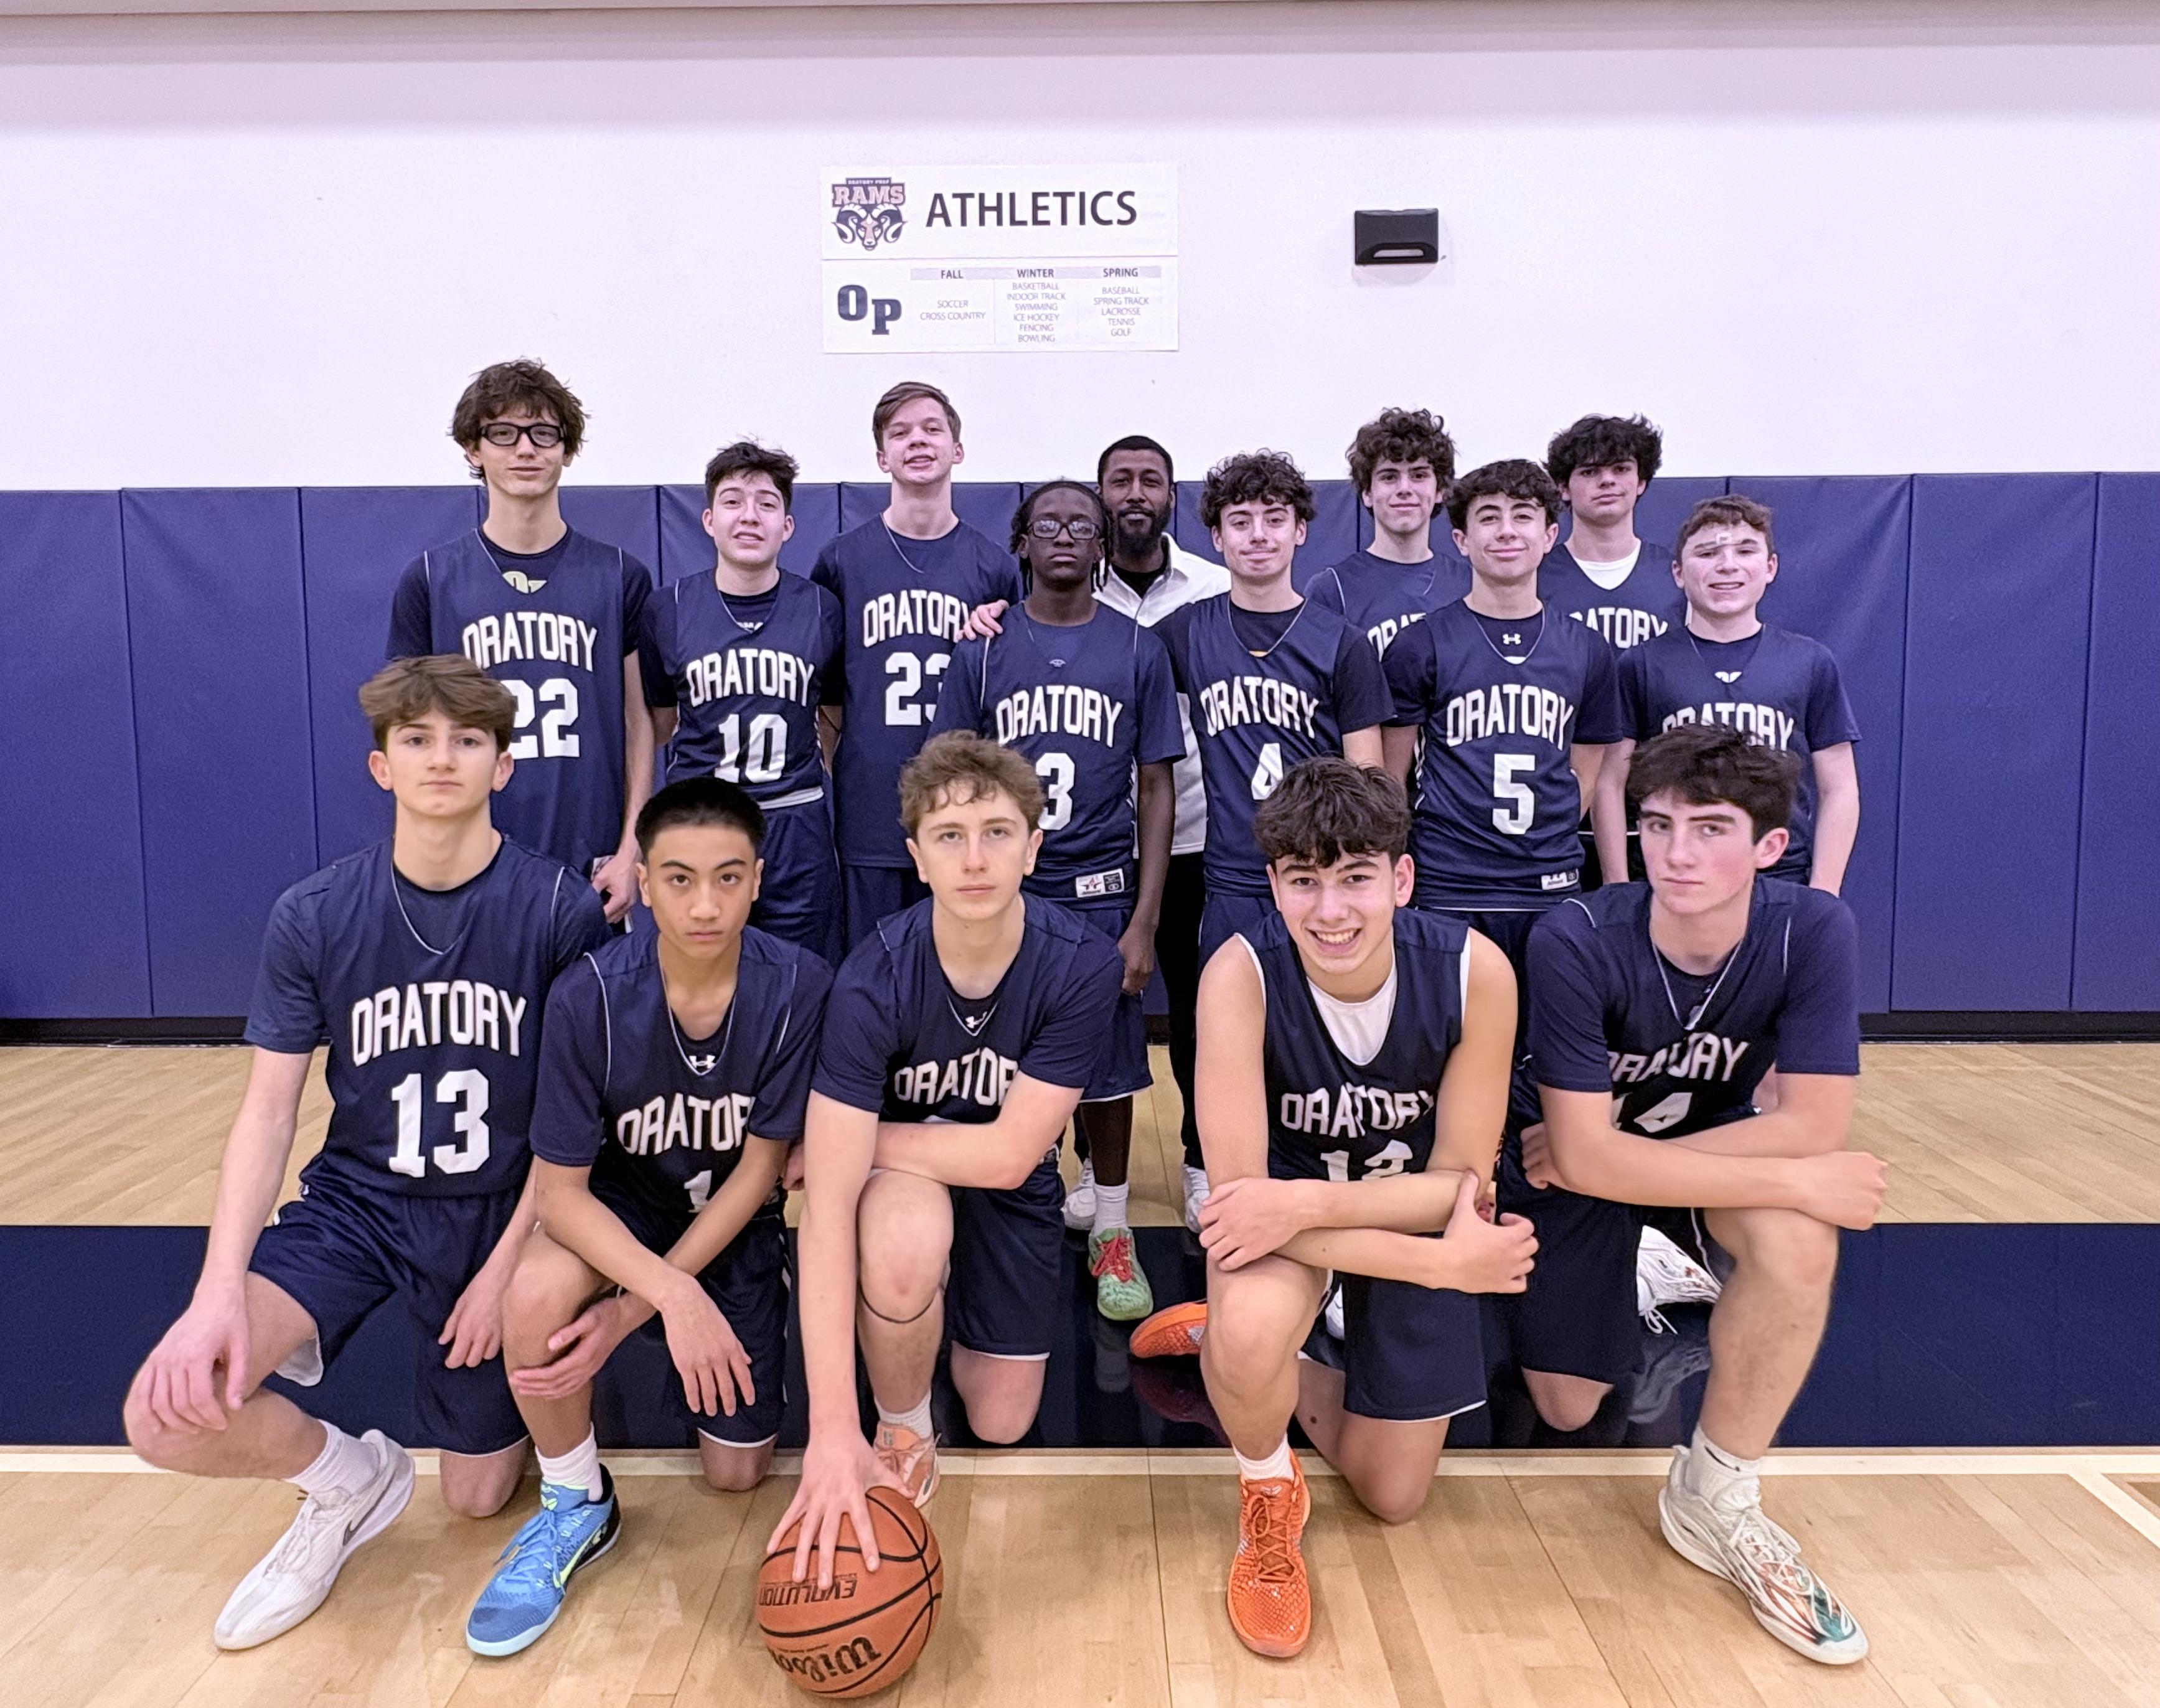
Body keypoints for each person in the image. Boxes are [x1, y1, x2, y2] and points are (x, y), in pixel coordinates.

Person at [122, 656, 609, 1651]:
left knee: (477, 1495)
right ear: (382, 766)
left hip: (498, 1208)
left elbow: (576, 1122)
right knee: (165, 1414)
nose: (442, 759)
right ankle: (347, 1481)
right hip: (360, 1206)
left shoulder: (558, 909)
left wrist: (507, 1268)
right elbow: (267, 1113)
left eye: (467, 740)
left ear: (503, 767)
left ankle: (491, 1435)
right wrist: (216, 1291)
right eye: (416, 740)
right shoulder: (314, 913)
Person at [1127, 758, 1535, 1658]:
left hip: (1362, 1209)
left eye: (1355, 878)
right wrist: (1441, 1262)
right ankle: (1266, 1486)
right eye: (1303, 881)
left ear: (1401, 878)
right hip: (1315, 1232)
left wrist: (1303, 1201)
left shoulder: (1475, 971)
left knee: (1392, 1496)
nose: (1330, 909)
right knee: (1253, 1324)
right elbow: (1240, 1213)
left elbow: (1459, 1185)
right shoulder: (1239, 973)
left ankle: (1229, 1357)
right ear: (1273, 885)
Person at [1500, 723, 1885, 1664]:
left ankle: (1716, 1492)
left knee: (1798, 1236)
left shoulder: (1811, 929)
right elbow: (1575, 1156)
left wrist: (1624, 1159)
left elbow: (1813, 1122)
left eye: (1710, 828)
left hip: (1676, 1151)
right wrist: (1789, 1168)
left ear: (1767, 845)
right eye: (1658, 825)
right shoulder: (1576, 936)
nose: (1675, 853)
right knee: (1565, 1405)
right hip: (1550, 1167)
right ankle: (1631, 1256)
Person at [464, 777, 830, 1655]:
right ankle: (574, 1498)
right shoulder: (587, 994)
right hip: (620, 1215)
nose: (704, 905)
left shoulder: (798, 985)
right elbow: (560, 1193)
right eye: (677, 879)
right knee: (534, 1295)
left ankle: (678, 1331)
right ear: (644, 881)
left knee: (737, 1473)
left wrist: (634, 1310)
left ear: (757, 878)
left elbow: (760, 1171)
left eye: (727, 878)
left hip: (730, 1223)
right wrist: (669, 1293)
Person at [770, 733, 1125, 1588]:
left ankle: (925, 1309)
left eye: (997, 832)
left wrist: (847, 1143)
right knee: (899, 1244)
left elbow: (1008, 1155)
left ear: (1033, 849)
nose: (974, 858)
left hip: (1004, 1182)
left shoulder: (1082, 962)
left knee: (1002, 1421)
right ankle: (901, 1417)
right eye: (949, 836)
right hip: (903, 1190)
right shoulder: (872, 977)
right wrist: (831, 1428)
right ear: (916, 857)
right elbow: (828, 1205)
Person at [932, 481, 1184, 1320]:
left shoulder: (1138, 648)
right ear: (1024, 542)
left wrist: (1144, 918)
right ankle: (1025, 1205)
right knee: (1005, 1061)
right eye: (1049, 524)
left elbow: (1156, 786)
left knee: (1110, 1074)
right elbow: (950, 781)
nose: (1066, 535)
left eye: (1083, 523)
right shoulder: (982, 651)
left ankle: (1111, 1225)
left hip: (1099, 892)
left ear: (1103, 542)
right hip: (1006, 895)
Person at [387, 359, 656, 922]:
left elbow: (639, 724)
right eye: (503, 433)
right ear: (473, 449)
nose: (526, 449)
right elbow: (406, 738)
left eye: (543, 433)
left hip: (591, 864)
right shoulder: (431, 580)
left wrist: (632, 849)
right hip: (469, 859)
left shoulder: (619, 576)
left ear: (567, 450)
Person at [1381, 460, 1624, 1006]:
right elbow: (1390, 781)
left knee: (1547, 1043)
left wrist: (1540, 847)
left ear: (1550, 535)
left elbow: (1585, 777)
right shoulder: (1420, 645)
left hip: (1548, 886)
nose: (1507, 530)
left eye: (1523, 516)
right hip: (1449, 885)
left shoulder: (1587, 650)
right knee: (1449, 1040)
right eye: (1489, 517)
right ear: (1462, 540)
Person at [1152, 448, 1391, 977]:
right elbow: (1099, 653)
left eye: (1275, 519)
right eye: (1240, 522)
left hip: (1321, 874)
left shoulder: (1343, 643)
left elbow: (1367, 780)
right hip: (1233, 876)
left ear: (1300, 530)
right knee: (1231, 1016)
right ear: (1217, 538)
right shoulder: (1186, 631)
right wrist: (999, 616)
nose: (1258, 535)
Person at [810, 382, 1023, 949]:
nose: (918, 441)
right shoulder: (841, 560)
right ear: (882, 457)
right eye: (900, 433)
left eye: (932, 429)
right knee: (873, 962)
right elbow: (825, 695)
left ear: (958, 449)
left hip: (962, 804)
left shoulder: (995, 568)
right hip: (870, 803)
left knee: (961, 961)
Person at [1083, 434, 1231, 1234]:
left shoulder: (1213, 587)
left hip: (1197, 833)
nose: (1134, 492)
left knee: (1205, 1013)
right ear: (1099, 493)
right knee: (1084, 1009)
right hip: (1093, 843)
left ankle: (1202, 1160)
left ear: (1173, 497)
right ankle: (1086, 1167)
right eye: (1119, 480)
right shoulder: (1062, 583)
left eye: (1150, 480)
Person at [641, 440, 848, 960]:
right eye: (733, 501)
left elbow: (833, 717)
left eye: (767, 504)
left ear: (788, 526)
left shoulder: (821, 608)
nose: (750, 516)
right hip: (702, 820)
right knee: (696, 973)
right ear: (709, 521)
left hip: (795, 824)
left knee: (803, 976)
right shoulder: (668, 608)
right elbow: (658, 723)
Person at [1594, 495, 1861, 893]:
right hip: (1674, 878)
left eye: (1745, 551)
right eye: (1707, 553)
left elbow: (1839, 786)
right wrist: (1617, 886)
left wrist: (1823, 890)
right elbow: (1609, 783)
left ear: (1770, 567)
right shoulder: (1642, 664)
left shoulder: (1810, 662)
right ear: (1678, 573)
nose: (1727, 565)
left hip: (1780, 878)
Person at [1303, 406, 1470, 657]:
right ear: (1367, 493)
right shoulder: (1332, 590)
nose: (1404, 489)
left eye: (1419, 475)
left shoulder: (1471, 584)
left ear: (1440, 491)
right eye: (1389, 477)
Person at [1539, 413, 1687, 652]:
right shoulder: (1536, 577)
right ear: (1563, 487)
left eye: (1621, 469)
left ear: (1641, 482)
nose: (1607, 480)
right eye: (1590, 472)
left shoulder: (1677, 575)